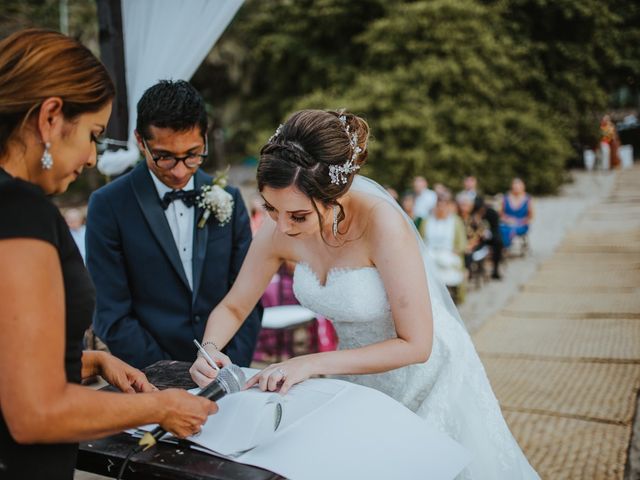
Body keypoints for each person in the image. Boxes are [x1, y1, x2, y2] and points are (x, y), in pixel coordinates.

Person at [190, 109, 539, 478]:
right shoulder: (280, 226)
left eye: (298, 216)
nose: (282, 226)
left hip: (428, 378)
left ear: (334, 196)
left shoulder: (382, 224)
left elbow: (417, 345)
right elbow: (234, 305)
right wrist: (210, 350)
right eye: (271, 209)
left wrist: (310, 362)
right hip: (357, 377)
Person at [0, 29, 216, 480]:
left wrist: (90, 362)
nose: (93, 157)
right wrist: (158, 404)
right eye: (94, 134)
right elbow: (33, 411)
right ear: (51, 117)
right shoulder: (19, 212)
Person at [86, 80, 261, 369]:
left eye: (192, 155)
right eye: (164, 157)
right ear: (141, 142)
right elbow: (110, 315)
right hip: (150, 379)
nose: (180, 171)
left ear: (204, 137)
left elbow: (247, 297)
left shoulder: (229, 197)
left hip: (226, 372)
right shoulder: (108, 205)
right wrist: (173, 374)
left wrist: (231, 365)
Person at [420, 190, 467, 293]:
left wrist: (456, 251)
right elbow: (421, 240)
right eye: (439, 205)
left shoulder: (455, 221)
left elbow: (462, 244)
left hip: (449, 254)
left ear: (448, 206)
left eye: (443, 205)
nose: (441, 208)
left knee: (445, 263)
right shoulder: (427, 221)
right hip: (430, 253)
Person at [499, 177, 534, 249]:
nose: (516, 188)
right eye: (515, 187)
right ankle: (502, 246)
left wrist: (522, 221)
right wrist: (507, 220)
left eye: (518, 187)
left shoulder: (527, 199)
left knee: (511, 230)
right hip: (507, 222)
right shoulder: (505, 198)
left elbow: (531, 216)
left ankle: (505, 246)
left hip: (521, 224)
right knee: (500, 229)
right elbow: (501, 213)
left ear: (522, 187)